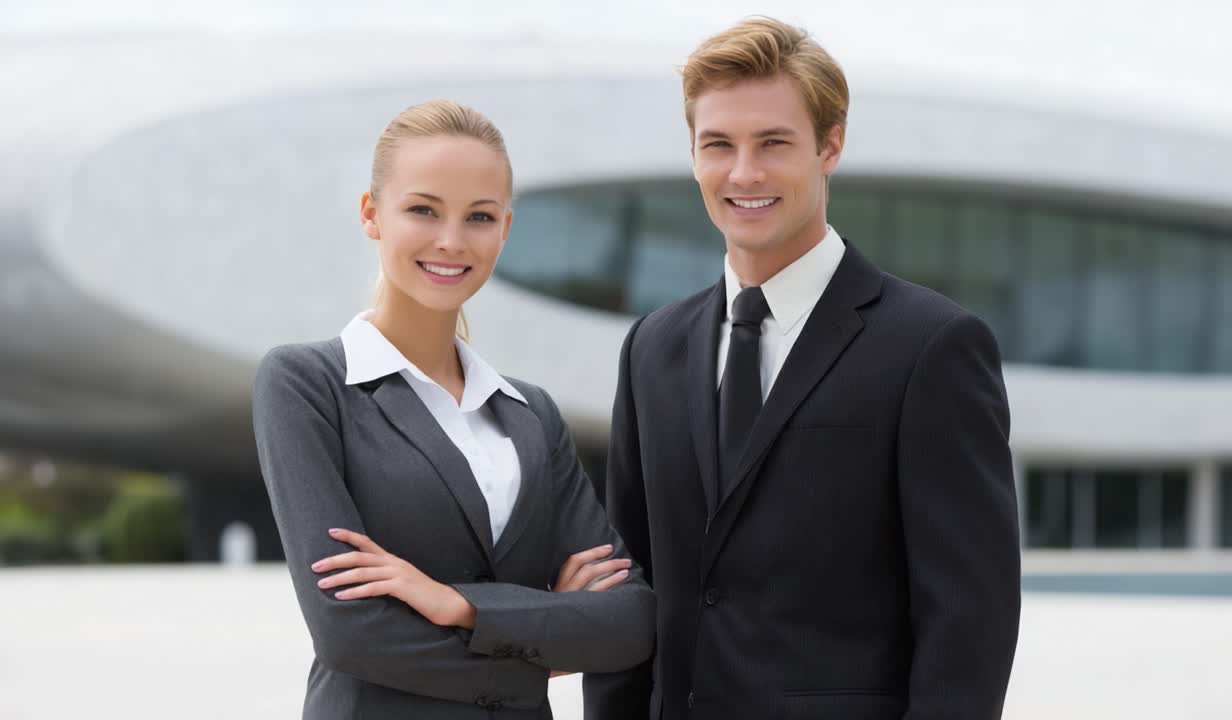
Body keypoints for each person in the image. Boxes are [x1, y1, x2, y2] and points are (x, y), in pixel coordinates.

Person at [583, 17, 1020, 720]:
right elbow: (629, 586)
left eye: (773, 143)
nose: (743, 172)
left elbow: (970, 625)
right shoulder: (651, 348)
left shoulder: (933, 347)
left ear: (831, 145)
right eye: (718, 144)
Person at [252, 99, 654, 719]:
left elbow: (629, 621)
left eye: (479, 216)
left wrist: (459, 606)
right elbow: (350, 633)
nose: (451, 240)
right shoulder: (308, 384)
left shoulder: (532, 416)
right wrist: (543, 648)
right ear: (371, 214)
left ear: (506, 230)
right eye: (423, 210)